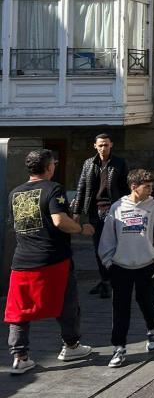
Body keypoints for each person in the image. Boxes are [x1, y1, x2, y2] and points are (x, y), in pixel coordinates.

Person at [6, 150, 94, 374]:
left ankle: (20, 357)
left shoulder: (14, 193)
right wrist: (82, 229)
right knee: (67, 304)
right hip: (52, 258)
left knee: (19, 310)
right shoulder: (53, 188)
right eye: (53, 163)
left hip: (22, 260)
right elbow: (59, 220)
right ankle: (71, 345)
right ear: (49, 167)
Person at [98, 169, 154, 368]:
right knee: (120, 307)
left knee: (146, 301)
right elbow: (108, 238)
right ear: (134, 187)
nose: (151, 190)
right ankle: (119, 348)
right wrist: (108, 261)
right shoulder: (117, 207)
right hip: (120, 266)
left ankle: (153, 329)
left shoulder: (153, 206)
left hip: (146, 265)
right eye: (147, 186)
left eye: (151, 186)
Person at [72, 133, 129, 299]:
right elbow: (81, 188)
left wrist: (126, 208)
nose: (103, 148)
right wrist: (76, 213)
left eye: (106, 145)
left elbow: (125, 188)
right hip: (94, 211)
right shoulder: (89, 164)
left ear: (111, 145)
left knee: (112, 246)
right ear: (95, 146)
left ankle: (111, 281)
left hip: (113, 210)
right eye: (100, 145)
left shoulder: (119, 163)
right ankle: (105, 280)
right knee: (98, 248)